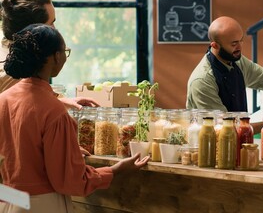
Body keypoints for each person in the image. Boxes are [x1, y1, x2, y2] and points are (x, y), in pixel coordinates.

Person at [0, 24, 150, 213]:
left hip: (7, 201)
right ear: (56, 56)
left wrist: (66, 150)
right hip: (41, 205)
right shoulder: (53, 110)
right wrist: (115, 170)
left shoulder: (3, 99)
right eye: (65, 52)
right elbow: (70, 182)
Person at [0, 0, 98, 110]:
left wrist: (64, 102)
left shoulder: (10, 54)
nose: (55, 30)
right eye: (51, 24)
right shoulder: (17, 71)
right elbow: (21, 110)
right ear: (34, 30)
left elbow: (27, 102)